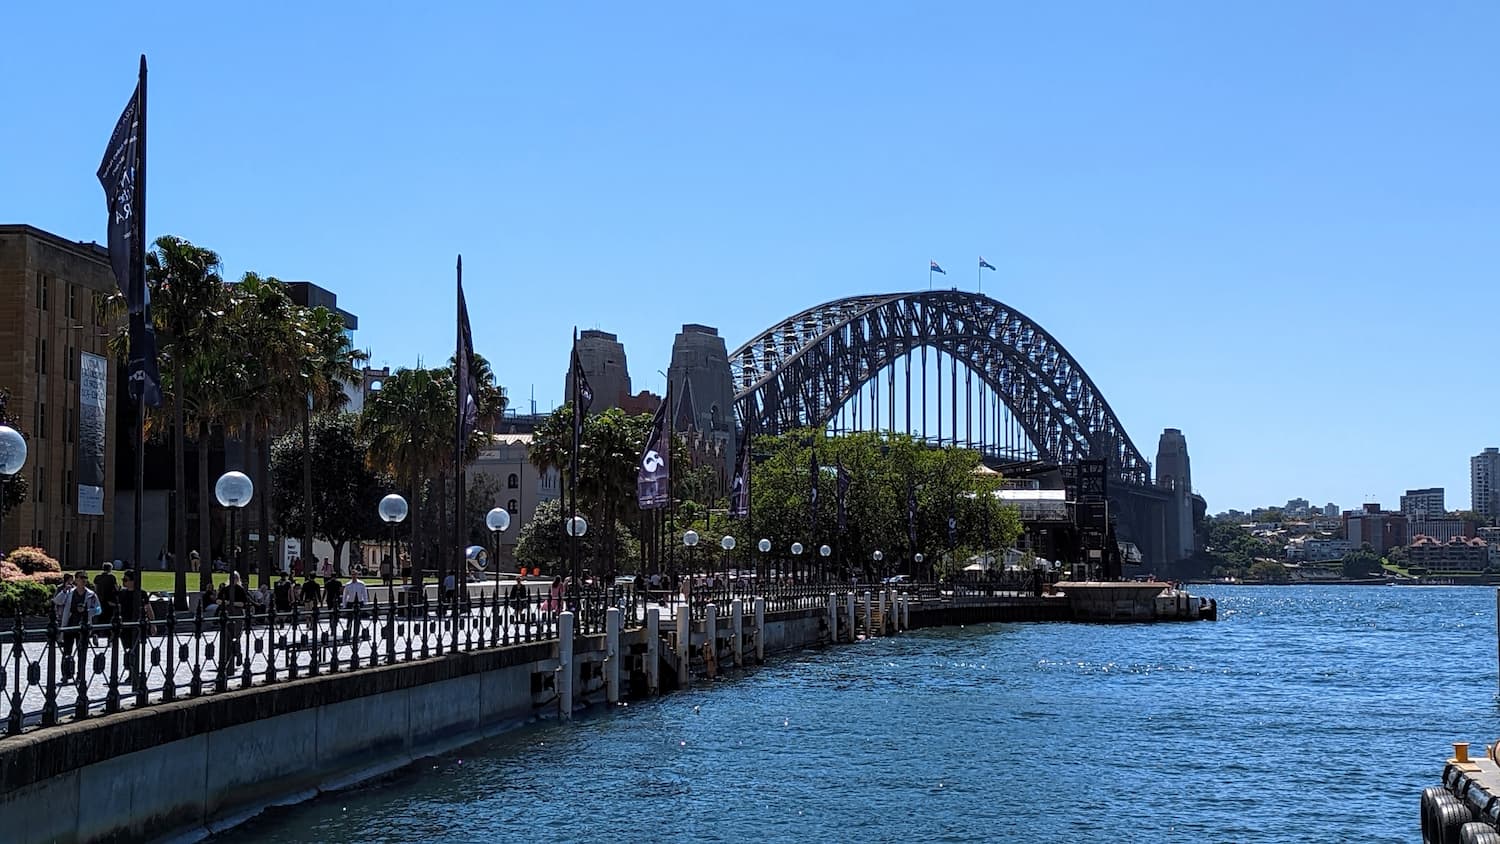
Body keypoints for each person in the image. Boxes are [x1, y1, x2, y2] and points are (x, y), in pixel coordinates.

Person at [53, 572, 100, 682]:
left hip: (83, 627)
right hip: (69, 625)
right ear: (76, 580)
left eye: (86, 578)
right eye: (81, 578)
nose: (84, 580)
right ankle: (66, 674)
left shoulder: (91, 594)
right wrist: (64, 591)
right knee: (67, 652)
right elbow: (57, 601)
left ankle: (80, 674)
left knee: (82, 652)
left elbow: (98, 609)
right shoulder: (69, 592)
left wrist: (88, 611)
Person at [117, 570, 154, 685]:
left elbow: (148, 608)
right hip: (125, 626)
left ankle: (135, 674)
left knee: (136, 650)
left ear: (133, 581)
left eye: (126, 580)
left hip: (137, 625)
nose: (124, 582)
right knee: (127, 650)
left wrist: (152, 623)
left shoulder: (141, 593)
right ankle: (131, 673)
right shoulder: (122, 593)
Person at [94, 562, 119, 626]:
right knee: (108, 618)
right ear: (110, 569)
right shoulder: (112, 577)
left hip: (99, 600)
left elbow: (96, 588)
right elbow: (116, 588)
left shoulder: (97, 577)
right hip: (109, 600)